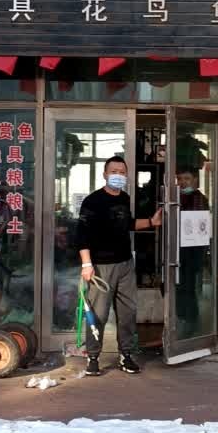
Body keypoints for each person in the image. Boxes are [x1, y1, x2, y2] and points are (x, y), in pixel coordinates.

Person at [77, 156, 161, 376]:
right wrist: (87, 264)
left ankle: (126, 355)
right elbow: (82, 235)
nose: (118, 175)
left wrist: (151, 222)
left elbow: (129, 224)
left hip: (125, 264)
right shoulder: (92, 201)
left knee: (128, 313)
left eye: (122, 172)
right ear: (105, 174)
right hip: (101, 267)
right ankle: (93, 357)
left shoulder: (124, 198)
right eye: (114, 171)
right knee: (99, 314)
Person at [175, 167, 209, 337]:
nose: (182, 182)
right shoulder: (176, 198)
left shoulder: (199, 199)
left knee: (187, 286)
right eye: (180, 179)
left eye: (186, 178)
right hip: (176, 250)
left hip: (192, 251)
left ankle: (190, 321)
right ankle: (181, 317)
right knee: (178, 286)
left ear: (195, 180)